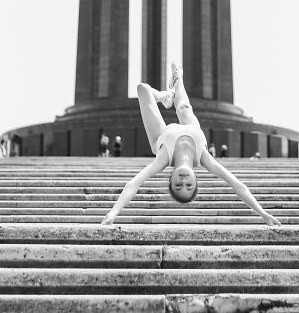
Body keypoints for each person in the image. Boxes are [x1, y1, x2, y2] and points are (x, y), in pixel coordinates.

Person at [101, 62, 280, 226]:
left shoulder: (163, 160)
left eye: (178, 186)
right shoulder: (204, 158)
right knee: (184, 108)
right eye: (189, 186)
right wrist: (263, 214)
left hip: (160, 138)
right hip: (192, 130)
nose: (183, 182)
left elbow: (133, 184)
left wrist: (113, 212)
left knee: (143, 89)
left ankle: (165, 96)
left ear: (170, 180)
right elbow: (238, 185)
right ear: (196, 180)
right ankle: (178, 80)